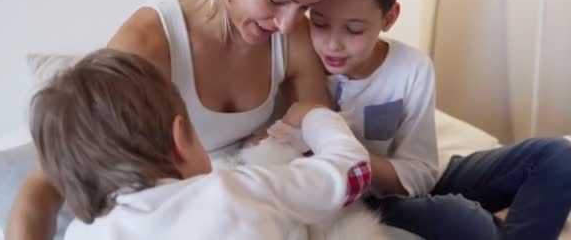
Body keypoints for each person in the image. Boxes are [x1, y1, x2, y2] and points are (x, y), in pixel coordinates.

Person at [6, 0, 348, 239]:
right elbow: (45, 186)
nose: (287, 24)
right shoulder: (148, 44)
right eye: (275, 0)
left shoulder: (294, 36)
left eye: (305, 6)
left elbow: (316, 140)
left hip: (255, 204)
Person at [308, 0, 571, 240]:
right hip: (364, 203)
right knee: (467, 221)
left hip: (408, 185)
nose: (332, 43)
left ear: (389, 18)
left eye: (353, 29)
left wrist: (349, 152)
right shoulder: (298, 61)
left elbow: (420, 173)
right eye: (319, 23)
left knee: (558, 155)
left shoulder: (412, 68)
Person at [30, 49, 372, 240]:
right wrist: (315, 116)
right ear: (181, 138)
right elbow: (353, 172)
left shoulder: (82, 235)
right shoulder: (233, 190)